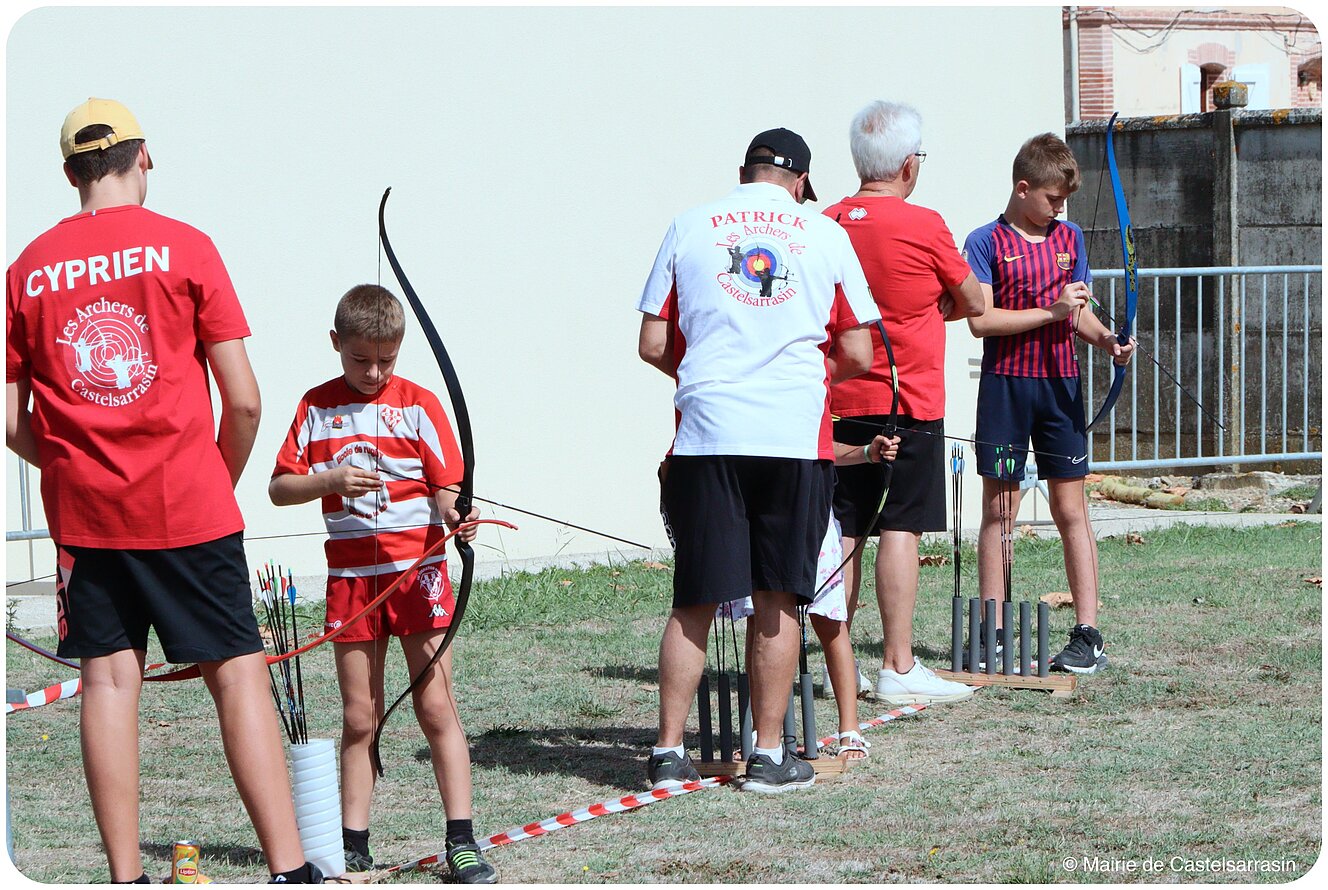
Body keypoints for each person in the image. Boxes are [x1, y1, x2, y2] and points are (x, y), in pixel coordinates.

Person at [5, 97, 318, 883]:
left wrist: (76, 468)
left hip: (85, 517)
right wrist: (214, 478)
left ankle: (126, 876)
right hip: (190, 503)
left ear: (70, 173)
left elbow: (10, 421)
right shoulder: (187, 248)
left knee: (109, 681)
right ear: (144, 158)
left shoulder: (28, 269)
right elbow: (243, 399)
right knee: (238, 671)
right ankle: (290, 868)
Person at [638, 127, 879, 793]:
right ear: (801, 182)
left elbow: (653, 340)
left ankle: (665, 751)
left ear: (742, 172)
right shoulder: (825, 234)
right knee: (779, 596)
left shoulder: (688, 225)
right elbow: (858, 352)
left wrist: (710, 379)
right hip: (791, 435)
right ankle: (769, 755)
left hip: (709, 432)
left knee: (695, 598)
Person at [268, 285, 493, 883]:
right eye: (359, 359)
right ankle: (354, 843)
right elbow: (279, 487)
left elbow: (448, 486)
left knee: (436, 703)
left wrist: (455, 514)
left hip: (416, 573)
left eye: (386, 361)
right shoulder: (316, 407)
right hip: (351, 580)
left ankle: (462, 840)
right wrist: (332, 479)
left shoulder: (419, 403)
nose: (372, 372)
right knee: (360, 717)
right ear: (336, 344)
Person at [825, 100, 984, 705]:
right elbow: (971, 298)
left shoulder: (829, 221)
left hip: (840, 394)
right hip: (907, 397)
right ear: (909, 166)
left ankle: (837, 657)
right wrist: (930, 310)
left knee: (843, 528)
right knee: (900, 526)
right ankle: (897, 662)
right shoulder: (924, 224)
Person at [962, 132, 1134, 673]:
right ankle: (990, 632)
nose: (1059, 209)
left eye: (1064, 202)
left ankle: (1087, 634)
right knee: (1000, 511)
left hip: (1061, 388)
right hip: (1007, 388)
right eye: (1052, 199)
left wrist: (1107, 340)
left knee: (1070, 509)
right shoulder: (985, 241)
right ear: (1023, 188)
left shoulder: (1070, 238)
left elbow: (1078, 312)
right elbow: (980, 321)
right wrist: (1052, 311)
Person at [715, 433, 901, 761]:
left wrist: (867, 452)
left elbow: (827, 447)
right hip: (761, 521)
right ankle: (764, 731)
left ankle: (850, 729)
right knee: (761, 624)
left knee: (830, 625)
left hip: (810, 524)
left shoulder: (805, 397)